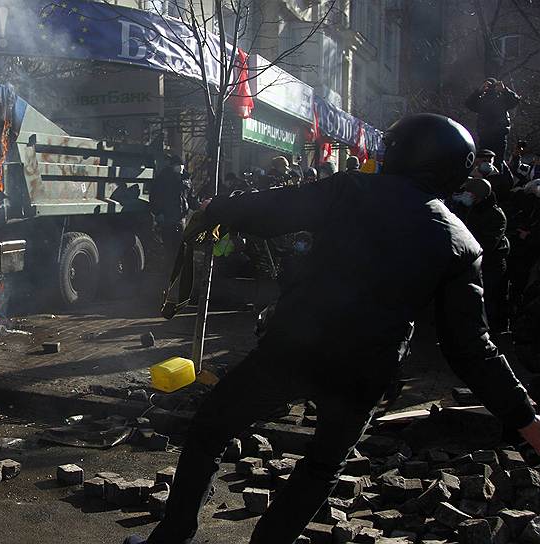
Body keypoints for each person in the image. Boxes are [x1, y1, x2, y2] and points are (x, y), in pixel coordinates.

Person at [126, 114, 540, 544]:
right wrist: (526, 418)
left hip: (294, 348)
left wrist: (217, 208)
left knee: (209, 431)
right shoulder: (462, 243)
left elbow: (273, 210)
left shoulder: (352, 189)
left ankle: (171, 537)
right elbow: (471, 348)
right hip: (365, 372)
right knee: (322, 466)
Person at [451, 177, 511, 333]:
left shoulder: (495, 215)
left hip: (490, 264)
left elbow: (487, 243)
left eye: (469, 193)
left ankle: (487, 331)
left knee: (488, 299)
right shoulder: (467, 208)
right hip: (472, 262)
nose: (465, 195)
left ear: (478, 196)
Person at [466, 78, 520, 166]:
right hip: (491, 135)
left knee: (490, 162)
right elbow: (469, 103)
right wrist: (479, 91)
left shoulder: (499, 100)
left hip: (494, 135)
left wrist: (504, 90)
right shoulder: (484, 101)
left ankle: (493, 176)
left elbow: (515, 100)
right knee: (495, 161)